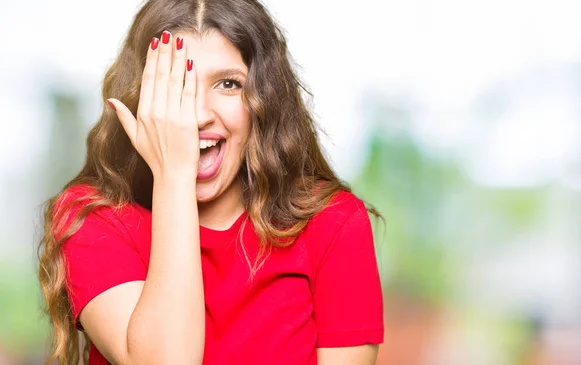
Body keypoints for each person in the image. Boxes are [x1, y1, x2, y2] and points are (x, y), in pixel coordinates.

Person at [37, 0, 384, 364]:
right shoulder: (93, 218)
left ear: (263, 101)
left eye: (229, 84)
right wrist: (173, 176)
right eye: (176, 85)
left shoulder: (333, 223)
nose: (199, 114)